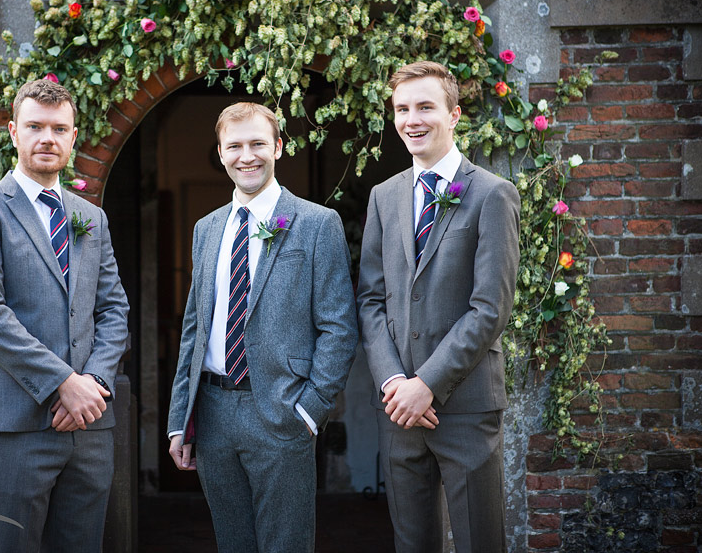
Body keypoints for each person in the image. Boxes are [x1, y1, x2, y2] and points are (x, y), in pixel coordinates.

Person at [166, 102, 358, 553]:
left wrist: (310, 410)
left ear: (278, 147)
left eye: (257, 143)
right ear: (220, 152)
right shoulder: (207, 229)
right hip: (212, 412)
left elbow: (339, 327)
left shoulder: (316, 224)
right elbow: (194, 329)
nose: (246, 155)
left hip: (281, 410)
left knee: (285, 544)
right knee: (232, 543)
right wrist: (181, 418)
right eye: (235, 146)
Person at [0, 78, 130, 552]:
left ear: (74, 138)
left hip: (89, 426)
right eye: (35, 127)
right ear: (13, 132)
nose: (47, 138)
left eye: (59, 128)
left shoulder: (91, 216)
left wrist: (92, 384)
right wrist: (62, 383)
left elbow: (113, 309)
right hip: (14, 423)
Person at [357, 61, 520, 552]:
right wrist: (395, 384)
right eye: (402, 109)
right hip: (400, 411)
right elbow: (370, 299)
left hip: (465, 406)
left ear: (454, 115)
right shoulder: (384, 196)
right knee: (412, 543)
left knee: (478, 543)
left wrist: (427, 385)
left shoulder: (492, 194)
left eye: (425, 107)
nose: (412, 120)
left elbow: (490, 309)